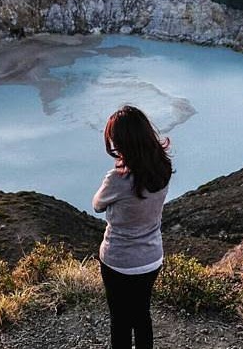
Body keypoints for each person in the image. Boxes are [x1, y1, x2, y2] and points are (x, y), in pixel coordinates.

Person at [92, 105, 173, 349]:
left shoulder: (118, 178)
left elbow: (97, 205)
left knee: (120, 320)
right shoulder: (162, 168)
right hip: (151, 258)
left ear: (122, 142)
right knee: (142, 315)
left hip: (119, 260)